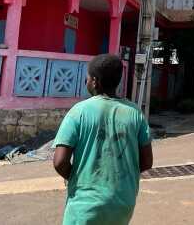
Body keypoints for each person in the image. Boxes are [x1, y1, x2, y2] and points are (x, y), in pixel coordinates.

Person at [53, 54, 154, 225]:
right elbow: (147, 162)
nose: (86, 81)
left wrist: (77, 179)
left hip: (84, 205)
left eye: (87, 78)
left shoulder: (78, 111)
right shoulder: (135, 113)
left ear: (95, 81)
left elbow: (60, 162)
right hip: (122, 203)